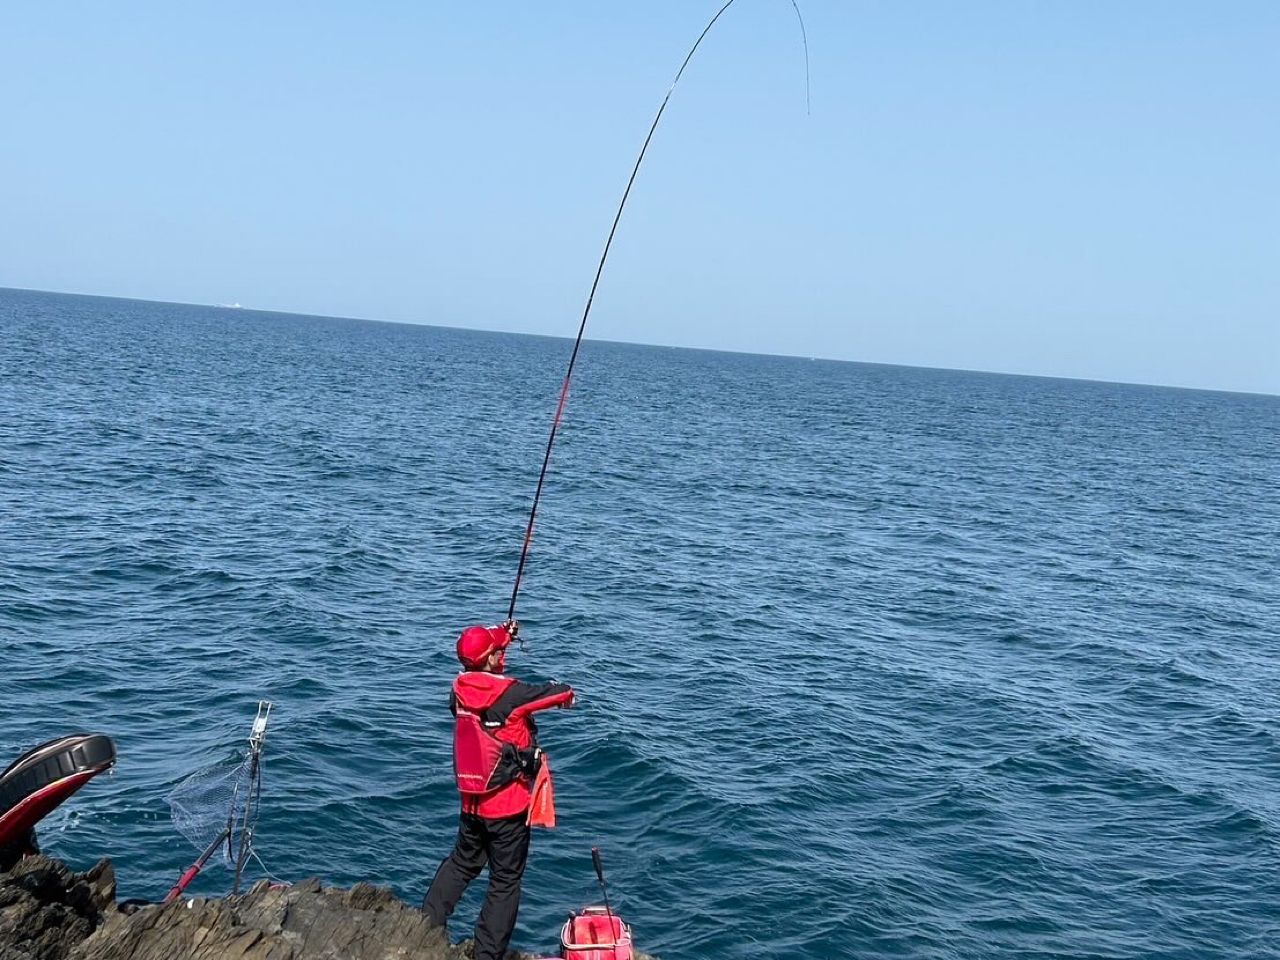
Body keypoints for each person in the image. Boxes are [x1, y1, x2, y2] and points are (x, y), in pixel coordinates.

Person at [422, 619, 573, 960]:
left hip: (472, 803)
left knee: (461, 863)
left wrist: (502, 637)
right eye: (496, 651)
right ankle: (487, 955)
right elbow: (561, 692)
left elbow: (485, 669)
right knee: (504, 882)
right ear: (491, 658)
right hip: (508, 807)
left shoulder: (458, 690)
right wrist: (564, 692)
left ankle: (425, 923)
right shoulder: (511, 694)